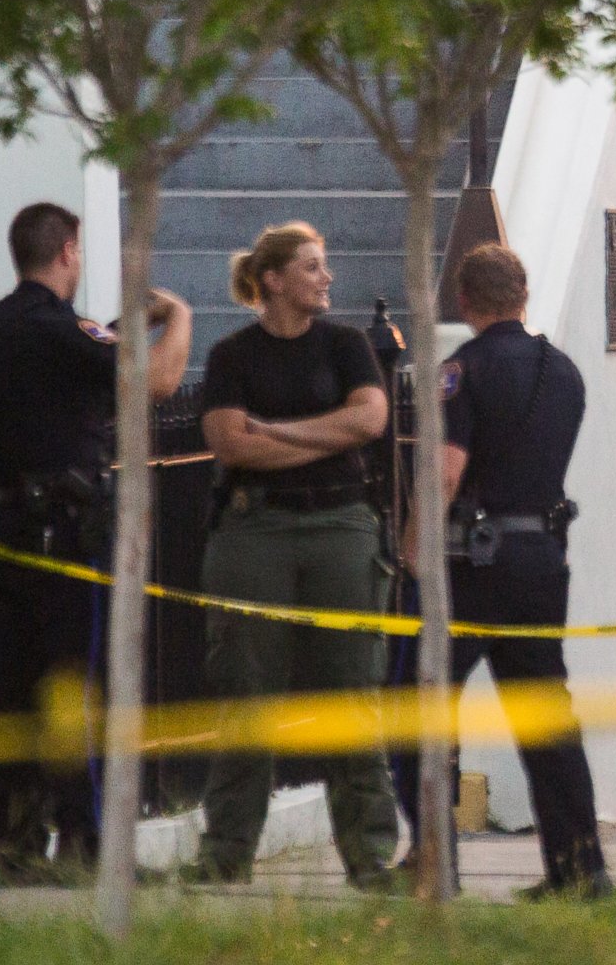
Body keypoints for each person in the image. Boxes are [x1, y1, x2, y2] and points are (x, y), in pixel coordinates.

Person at [0, 202, 192, 878]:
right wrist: (176, 318)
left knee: (16, 686)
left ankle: (15, 837)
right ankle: (88, 843)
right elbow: (158, 379)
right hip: (63, 533)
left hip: (4, 532)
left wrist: (118, 331)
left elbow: (71, 368)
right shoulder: (60, 330)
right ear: (66, 252)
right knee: (75, 688)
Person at [191, 221, 400, 888]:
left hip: (340, 525)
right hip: (256, 531)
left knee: (352, 695)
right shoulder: (232, 355)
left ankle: (368, 857)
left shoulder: (346, 345)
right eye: (312, 267)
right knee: (247, 698)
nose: (326, 278)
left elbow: (370, 419)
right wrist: (324, 437)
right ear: (274, 279)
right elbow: (231, 443)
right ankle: (226, 855)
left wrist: (277, 429)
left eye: (325, 265)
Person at [409, 244, 611, 897]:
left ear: (464, 301)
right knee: (548, 719)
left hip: (474, 563)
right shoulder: (566, 374)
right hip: (543, 561)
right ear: (522, 296)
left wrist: (413, 555)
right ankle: (581, 871)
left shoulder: (462, 371)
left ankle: (435, 869)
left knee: (429, 707)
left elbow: (444, 474)